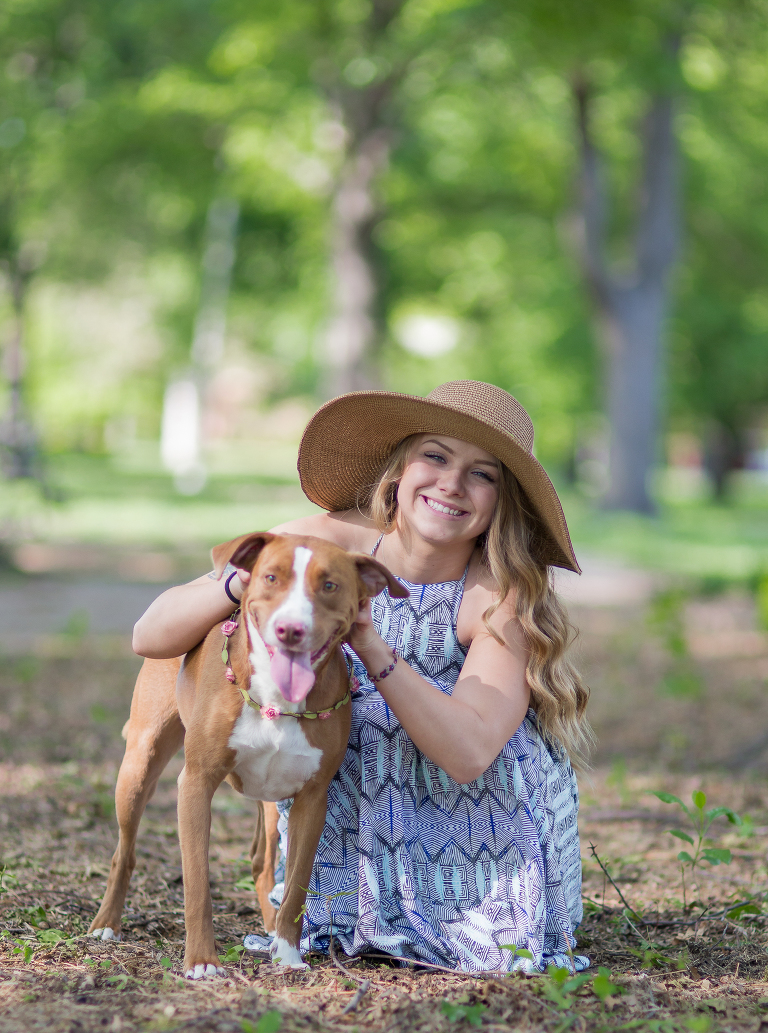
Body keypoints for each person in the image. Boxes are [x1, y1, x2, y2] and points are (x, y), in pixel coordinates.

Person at [133, 380, 591, 973]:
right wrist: (248, 584)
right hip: (358, 828)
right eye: (435, 455)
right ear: (399, 469)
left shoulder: (498, 597)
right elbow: (149, 635)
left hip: (482, 846)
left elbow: (469, 752)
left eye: (483, 474)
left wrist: (367, 639)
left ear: (501, 502)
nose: (451, 484)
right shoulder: (321, 546)